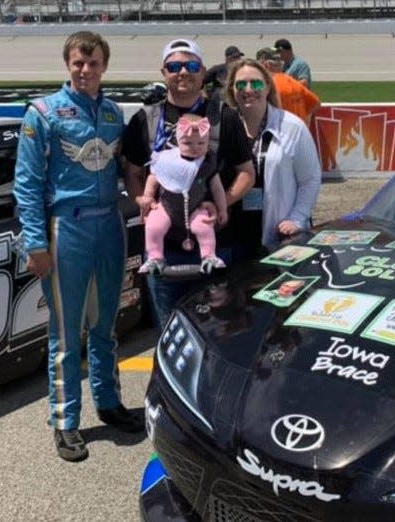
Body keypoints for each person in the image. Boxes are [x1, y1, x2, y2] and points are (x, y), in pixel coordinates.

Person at [13, 31, 144, 462]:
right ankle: (65, 420)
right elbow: (27, 184)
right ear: (68, 65)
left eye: (93, 63)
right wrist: (35, 242)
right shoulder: (43, 112)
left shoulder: (112, 113)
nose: (85, 70)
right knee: (68, 333)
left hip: (109, 225)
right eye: (77, 63)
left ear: (104, 65)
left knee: (107, 325)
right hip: (65, 229)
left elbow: (129, 171)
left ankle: (108, 403)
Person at [122, 38, 255, 331]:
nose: (183, 72)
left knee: (220, 334)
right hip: (164, 252)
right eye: (174, 66)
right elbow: (131, 172)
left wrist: (220, 204)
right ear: (163, 72)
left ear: (203, 71)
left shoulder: (224, 116)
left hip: (217, 247)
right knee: (171, 336)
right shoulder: (146, 119)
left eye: (191, 65)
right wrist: (143, 201)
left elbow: (247, 172)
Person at [222, 58, 321, 252]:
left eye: (256, 83)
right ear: (232, 90)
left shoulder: (292, 127)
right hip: (233, 232)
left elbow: (310, 179)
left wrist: (297, 217)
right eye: (241, 84)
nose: (248, 90)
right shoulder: (224, 126)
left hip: (281, 232)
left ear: (268, 88)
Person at [138, 113, 227, 275]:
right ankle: (155, 256)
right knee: (154, 225)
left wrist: (222, 209)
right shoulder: (166, 159)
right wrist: (148, 196)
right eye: (188, 143)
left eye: (201, 143)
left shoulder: (207, 163)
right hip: (166, 206)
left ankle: (209, 256)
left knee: (203, 225)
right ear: (178, 141)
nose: (195, 147)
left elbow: (217, 188)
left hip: (196, 207)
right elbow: (153, 177)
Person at [257, 47, 321, 125]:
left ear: (265, 65)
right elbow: (315, 104)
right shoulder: (295, 84)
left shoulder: (266, 87)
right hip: (298, 134)